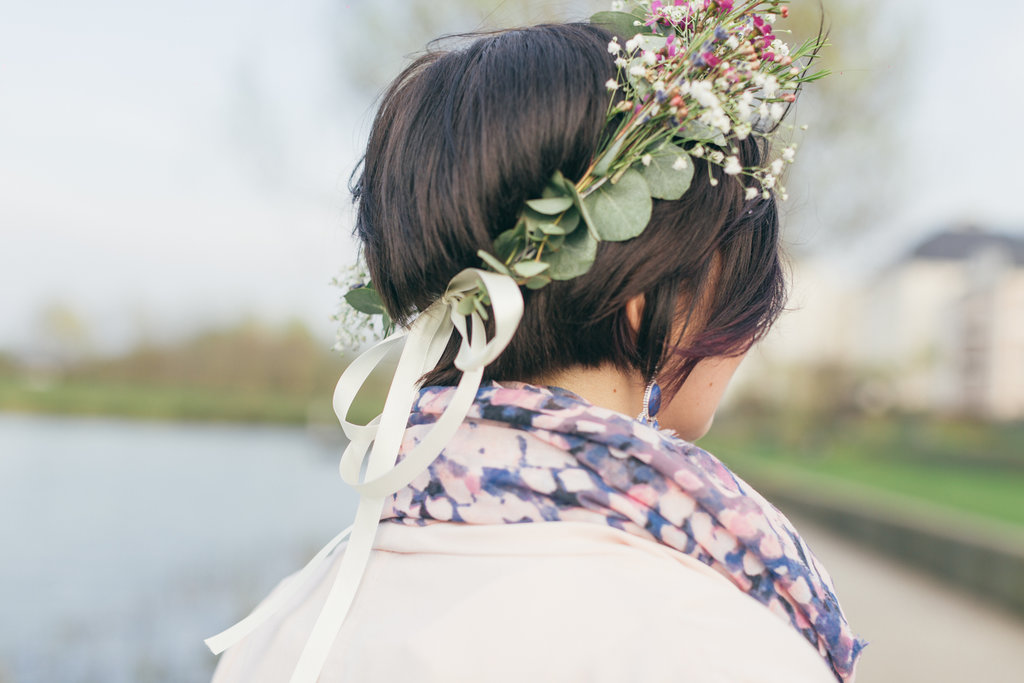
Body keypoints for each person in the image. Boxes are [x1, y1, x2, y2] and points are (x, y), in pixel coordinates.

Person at [207, 3, 865, 682]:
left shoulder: (282, 627)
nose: (749, 328)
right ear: (642, 295)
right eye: (737, 282)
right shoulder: (720, 647)